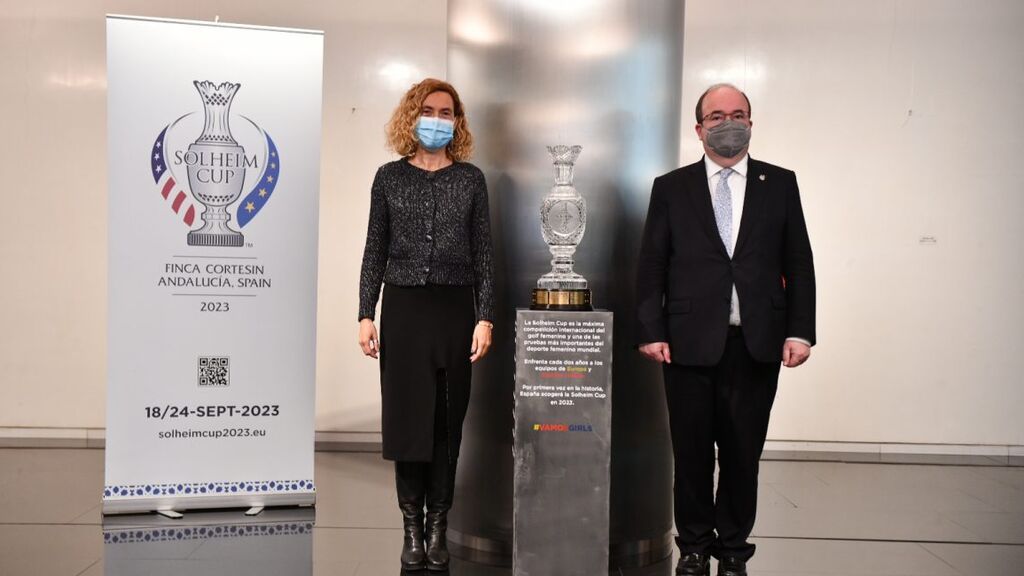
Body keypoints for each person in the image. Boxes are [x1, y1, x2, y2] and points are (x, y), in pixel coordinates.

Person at [635, 83, 816, 576]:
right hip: (687, 344)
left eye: (738, 114)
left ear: (751, 124)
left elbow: (798, 261)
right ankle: (693, 546)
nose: (728, 123)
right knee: (691, 454)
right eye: (716, 116)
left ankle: (733, 549)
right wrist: (651, 329)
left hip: (757, 343)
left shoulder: (779, 184)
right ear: (699, 129)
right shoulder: (670, 188)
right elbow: (652, 265)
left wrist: (800, 331)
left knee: (742, 455)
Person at [357, 78, 495, 572]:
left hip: (455, 309)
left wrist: (485, 317)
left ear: (457, 122)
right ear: (412, 115)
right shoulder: (388, 177)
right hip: (405, 310)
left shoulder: (470, 179)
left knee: (446, 423)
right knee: (407, 420)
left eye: (447, 112)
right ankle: (410, 527)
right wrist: (364, 314)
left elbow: (483, 254)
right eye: (430, 110)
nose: (438, 120)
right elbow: (375, 247)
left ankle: (439, 524)